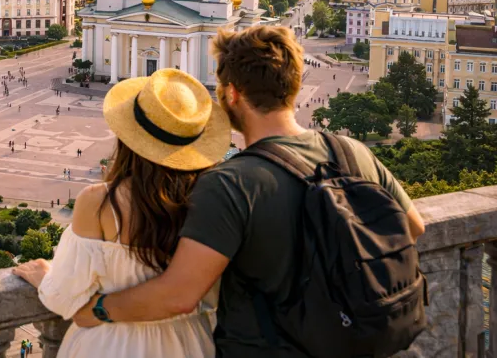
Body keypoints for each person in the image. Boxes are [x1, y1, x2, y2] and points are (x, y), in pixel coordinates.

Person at [68, 25, 425, 358]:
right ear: (294, 86)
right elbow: (412, 228)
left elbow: (178, 295)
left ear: (231, 93)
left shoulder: (229, 183)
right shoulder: (350, 151)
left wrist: (96, 309)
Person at [13, 68, 230, 358]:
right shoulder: (218, 202)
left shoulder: (101, 203)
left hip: (113, 344)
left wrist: (43, 276)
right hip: (191, 343)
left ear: (128, 137)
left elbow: (66, 298)